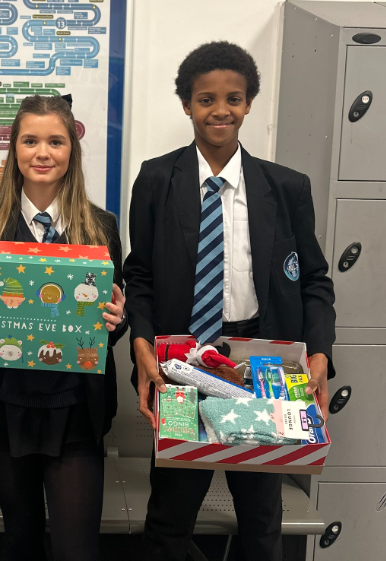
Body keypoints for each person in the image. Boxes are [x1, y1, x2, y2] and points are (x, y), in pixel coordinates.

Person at [123, 41, 335, 561]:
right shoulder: (156, 179)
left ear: (249, 103)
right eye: (206, 99)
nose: (221, 110)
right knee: (170, 518)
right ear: (187, 105)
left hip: (262, 371)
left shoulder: (287, 187)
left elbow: (315, 281)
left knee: (262, 519)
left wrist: (321, 354)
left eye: (234, 98)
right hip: (179, 367)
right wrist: (141, 346)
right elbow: (140, 276)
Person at [0, 94, 128, 561]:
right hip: (4, 403)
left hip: (75, 406)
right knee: (19, 540)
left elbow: (109, 323)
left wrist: (118, 321)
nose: (43, 153)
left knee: (76, 549)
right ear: (14, 150)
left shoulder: (100, 227)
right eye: (30, 141)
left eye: (56, 141)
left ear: (72, 151)